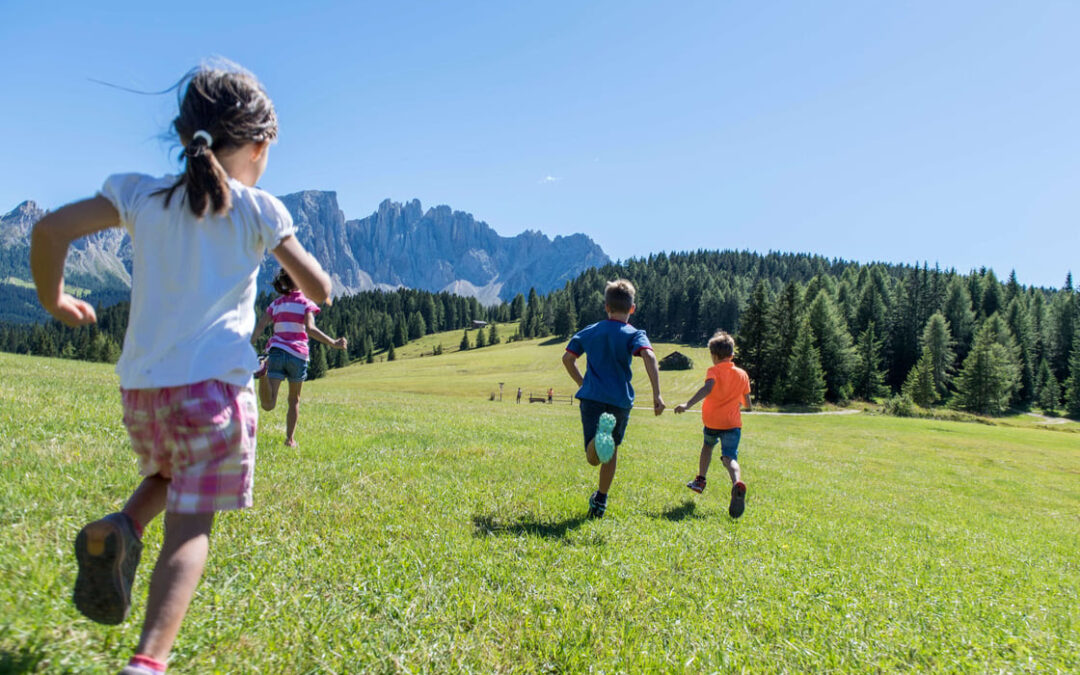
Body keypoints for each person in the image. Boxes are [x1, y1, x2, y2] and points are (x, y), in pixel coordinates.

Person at [30, 63, 332, 675]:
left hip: (143, 394)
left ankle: (120, 526)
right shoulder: (258, 209)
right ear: (258, 145)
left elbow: (50, 229)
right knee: (191, 531)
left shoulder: (141, 194)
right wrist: (293, 262)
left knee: (173, 469)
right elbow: (320, 287)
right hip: (216, 393)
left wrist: (54, 300)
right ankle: (148, 663)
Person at [562, 279, 664, 518]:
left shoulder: (591, 330)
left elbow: (567, 358)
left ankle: (599, 438)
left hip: (593, 398)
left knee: (593, 458)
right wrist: (656, 394)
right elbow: (649, 356)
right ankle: (601, 499)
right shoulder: (634, 334)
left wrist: (582, 382)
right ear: (632, 309)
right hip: (619, 401)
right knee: (611, 452)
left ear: (606, 307)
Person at [252, 268, 347, 447]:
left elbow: (260, 326)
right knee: (294, 400)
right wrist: (333, 342)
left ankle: (262, 373)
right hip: (298, 355)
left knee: (268, 404)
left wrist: (248, 344)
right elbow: (310, 329)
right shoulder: (305, 303)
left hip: (277, 352)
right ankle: (290, 439)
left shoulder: (276, 304)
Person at [674, 330, 752, 518]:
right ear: (732, 355)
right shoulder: (742, 374)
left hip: (713, 421)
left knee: (708, 446)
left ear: (714, 356)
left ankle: (700, 480)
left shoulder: (714, 371)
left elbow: (708, 388)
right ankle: (736, 483)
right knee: (729, 457)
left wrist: (687, 404)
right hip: (733, 423)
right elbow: (748, 404)